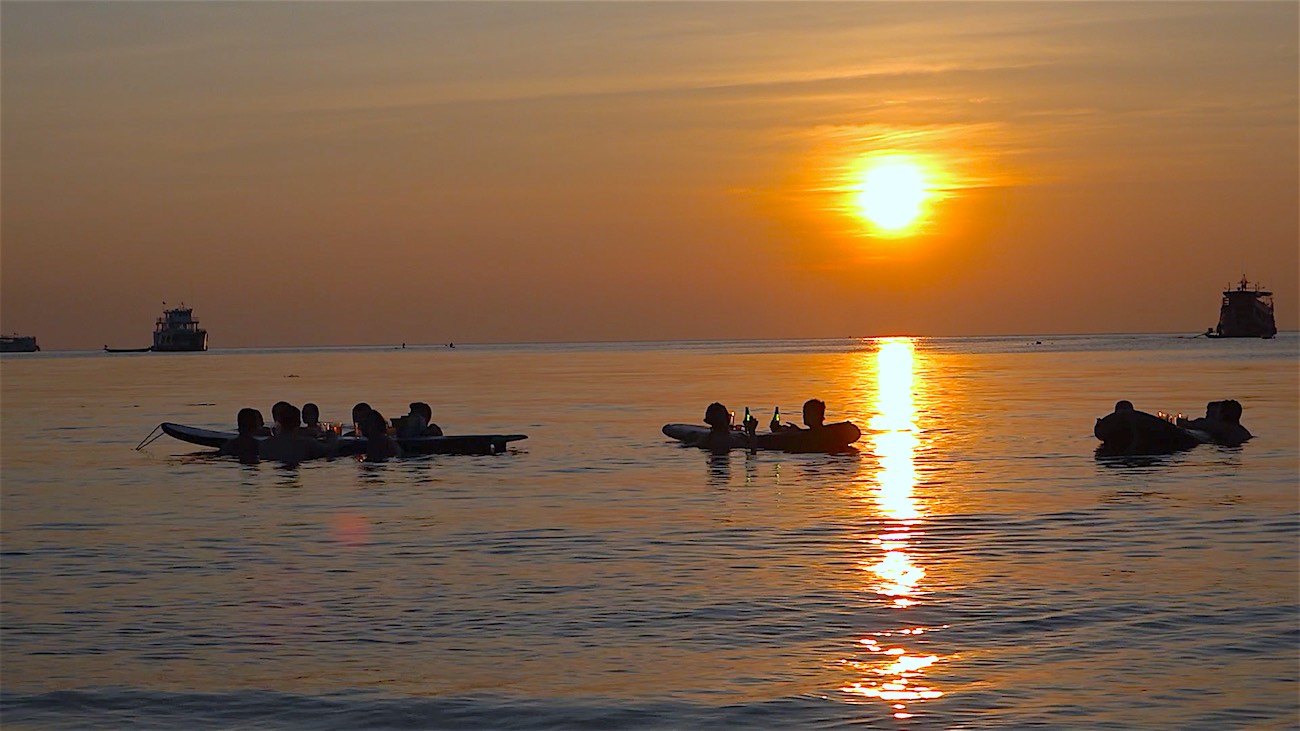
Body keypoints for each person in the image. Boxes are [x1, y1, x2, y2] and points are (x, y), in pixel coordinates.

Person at [259, 403, 337, 465]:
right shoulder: (307, 444)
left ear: (278, 423)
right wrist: (332, 436)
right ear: (298, 423)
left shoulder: (265, 445)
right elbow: (330, 449)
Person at [1178, 399, 1252, 447]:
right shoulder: (1243, 432)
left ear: (1222, 414)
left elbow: (1203, 423)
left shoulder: (1222, 427)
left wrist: (1184, 423)